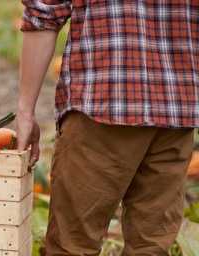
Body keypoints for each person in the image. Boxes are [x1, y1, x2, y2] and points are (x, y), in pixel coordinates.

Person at [16, 0, 198, 255]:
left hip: (104, 105)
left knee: (72, 246)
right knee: (151, 247)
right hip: (177, 109)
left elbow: (44, 14)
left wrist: (26, 112)